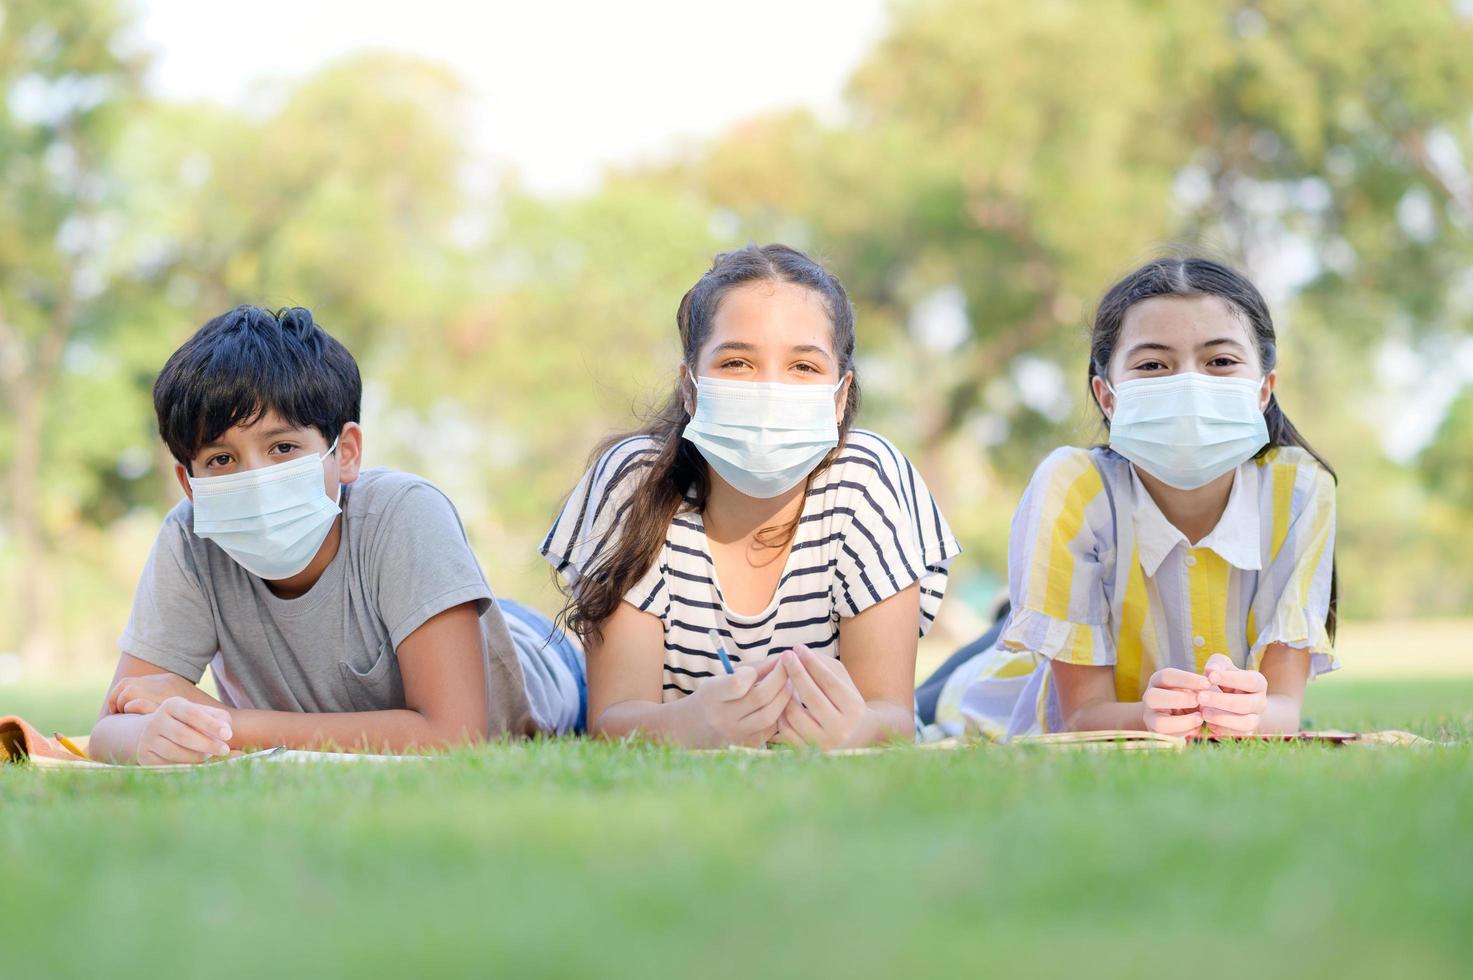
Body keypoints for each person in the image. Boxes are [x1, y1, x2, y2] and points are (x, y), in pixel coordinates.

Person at [89, 305, 583, 764]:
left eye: (282, 447)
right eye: (221, 459)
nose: (255, 479)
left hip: (536, 654)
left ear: (345, 452)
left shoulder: (406, 514)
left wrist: (227, 724)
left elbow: (453, 735)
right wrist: (152, 736)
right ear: (189, 484)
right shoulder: (188, 540)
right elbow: (113, 725)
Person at [543, 244, 959, 749]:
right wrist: (690, 724)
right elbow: (612, 723)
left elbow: (891, 717)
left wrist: (856, 733)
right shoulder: (634, 483)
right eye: (738, 363)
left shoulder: (868, 480)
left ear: (840, 395)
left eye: (803, 367)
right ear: (690, 388)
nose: (769, 391)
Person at [922, 257, 1337, 740]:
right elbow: (1079, 716)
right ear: (1108, 397)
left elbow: (1283, 709)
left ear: (1265, 389)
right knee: (927, 705)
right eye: (1153, 364)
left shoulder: (1302, 491)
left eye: (1220, 361)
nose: (1189, 385)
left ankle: (1014, 612)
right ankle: (1010, 622)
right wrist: (1149, 717)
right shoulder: (1071, 485)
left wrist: (1243, 716)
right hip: (997, 692)